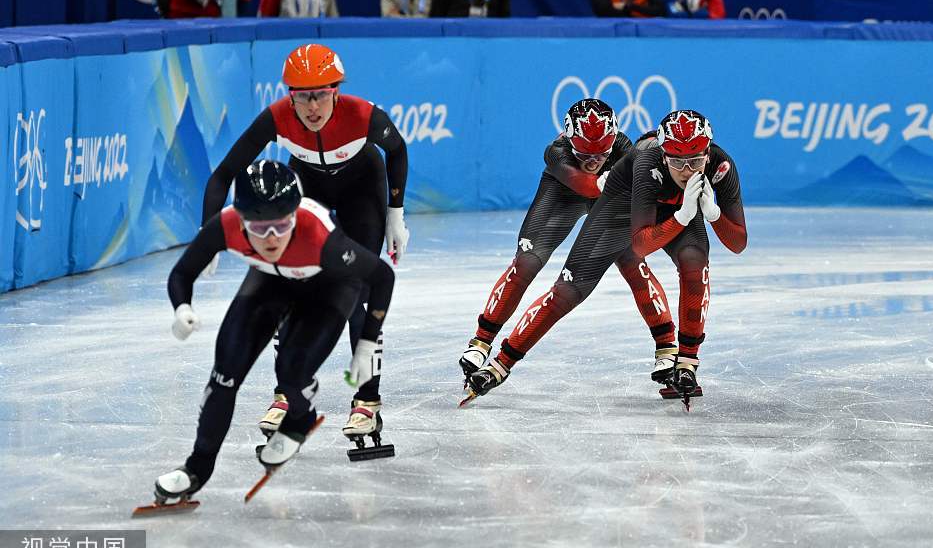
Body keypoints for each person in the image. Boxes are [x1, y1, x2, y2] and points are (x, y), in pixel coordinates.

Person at [147, 160, 396, 505]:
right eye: (259, 229)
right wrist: (182, 308)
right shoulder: (226, 225)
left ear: (295, 215)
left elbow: (382, 276)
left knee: (292, 375)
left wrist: (367, 342)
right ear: (241, 219)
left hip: (329, 286)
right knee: (224, 376)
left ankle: (300, 418)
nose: (271, 238)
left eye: (281, 226)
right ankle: (196, 468)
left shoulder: (322, 236)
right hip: (270, 281)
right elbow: (181, 273)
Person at [464, 110, 747, 408]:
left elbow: (738, 242)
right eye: (677, 161)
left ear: (708, 152)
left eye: (695, 161)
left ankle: (687, 360)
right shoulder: (645, 164)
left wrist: (713, 214)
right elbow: (641, 244)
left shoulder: (721, 165)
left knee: (695, 261)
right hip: (621, 209)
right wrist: (683, 215)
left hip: (679, 210)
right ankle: (501, 363)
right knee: (569, 290)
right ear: (663, 155)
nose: (687, 171)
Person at [200, 43, 409, 432]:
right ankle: (290, 388)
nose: (312, 108)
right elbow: (223, 174)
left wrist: (395, 214)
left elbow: (397, 151)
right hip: (307, 186)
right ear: (289, 97)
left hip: (362, 190)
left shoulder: (364, 116)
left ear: (336, 91)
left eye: (321, 96)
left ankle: (367, 399)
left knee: (358, 291)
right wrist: (208, 231)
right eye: (302, 98)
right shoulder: (278, 118)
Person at [459, 99, 679, 388]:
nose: (593, 162)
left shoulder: (624, 148)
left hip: (607, 204)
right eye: (584, 154)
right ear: (569, 140)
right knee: (526, 262)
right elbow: (587, 186)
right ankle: (482, 341)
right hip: (564, 194)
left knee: (632, 260)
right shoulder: (557, 152)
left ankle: (667, 346)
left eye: (601, 154)